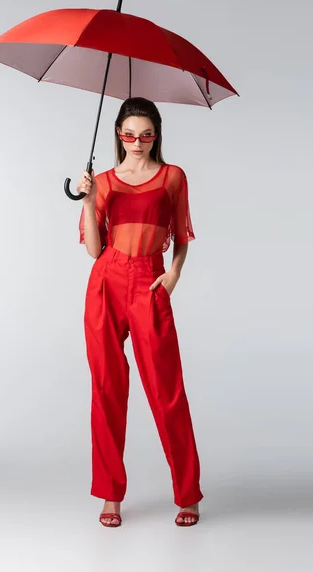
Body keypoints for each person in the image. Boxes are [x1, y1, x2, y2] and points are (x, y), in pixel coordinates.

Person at [77, 97, 203, 528]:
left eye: (146, 134)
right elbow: (94, 249)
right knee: (107, 388)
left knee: (166, 391)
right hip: (107, 281)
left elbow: (183, 233)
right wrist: (88, 199)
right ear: (117, 134)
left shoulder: (172, 177)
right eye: (129, 134)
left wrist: (173, 274)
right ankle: (110, 494)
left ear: (156, 136)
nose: (137, 142)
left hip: (149, 281)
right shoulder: (107, 182)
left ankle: (188, 494)